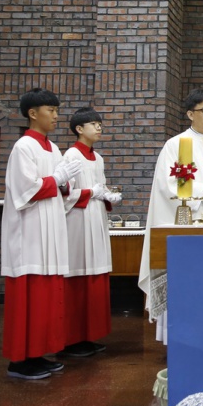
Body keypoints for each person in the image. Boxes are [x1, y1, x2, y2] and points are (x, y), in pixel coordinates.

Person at [139, 89, 203, 344]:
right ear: (190, 113)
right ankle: (179, 337)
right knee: (187, 281)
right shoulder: (175, 145)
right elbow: (168, 185)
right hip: (188, 223)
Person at [1, 88, 83, 380]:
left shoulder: (53, 148)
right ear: (33, 114)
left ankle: (38, 353)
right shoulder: (24, 147)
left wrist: (65, 183)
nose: (56, 116)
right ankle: (20, 361)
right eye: (51, 110)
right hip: (30, 233)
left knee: (47, 295)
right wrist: (57, 179)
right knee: (30, 296)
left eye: (57, 110)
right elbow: (25, 190)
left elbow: (62, 190)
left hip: (50, 229)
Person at [61, 107, 122, 358]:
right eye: (93, 124)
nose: (99, 128)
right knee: (77, 277)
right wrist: (91, 193)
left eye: (99, 124)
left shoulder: (97, 158)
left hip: (95, 219)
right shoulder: (71, 156)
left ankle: (87, 336)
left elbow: (101, 186)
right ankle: (71, 340)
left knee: (95, 275)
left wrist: (108, 195)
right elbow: (63, 194)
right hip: (77, 222)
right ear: (79, 129)